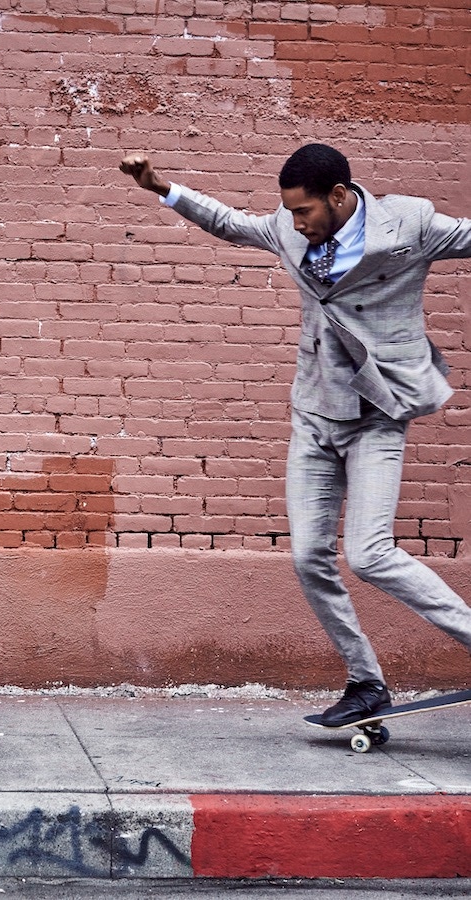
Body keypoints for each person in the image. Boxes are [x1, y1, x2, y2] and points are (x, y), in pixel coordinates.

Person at [120, 143, 471, 726]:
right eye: (290, 212)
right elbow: (230, 224)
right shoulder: (288, 227)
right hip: (314, 411)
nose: (295, 222)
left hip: (378, 413)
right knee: (309, 556)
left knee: (369, 553)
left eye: (304, 211)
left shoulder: (410, 225)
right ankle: (365, 681)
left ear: (338, 197)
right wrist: (163, 188)